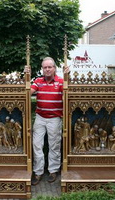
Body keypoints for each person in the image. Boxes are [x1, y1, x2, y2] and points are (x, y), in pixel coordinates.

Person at [24, 57, 69, 185]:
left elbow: (67, 96)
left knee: (54, 145)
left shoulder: (60, 82)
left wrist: (67, 78)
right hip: (40, 118)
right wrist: (26, 77)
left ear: (54, 68)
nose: (47, 69)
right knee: (37, 144)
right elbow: (27, 93)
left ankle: (53, 170)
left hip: (54, 119)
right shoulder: (38, 81)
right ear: (42, 69)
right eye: (45, 67)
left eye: (50, 67)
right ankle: (38, 172)